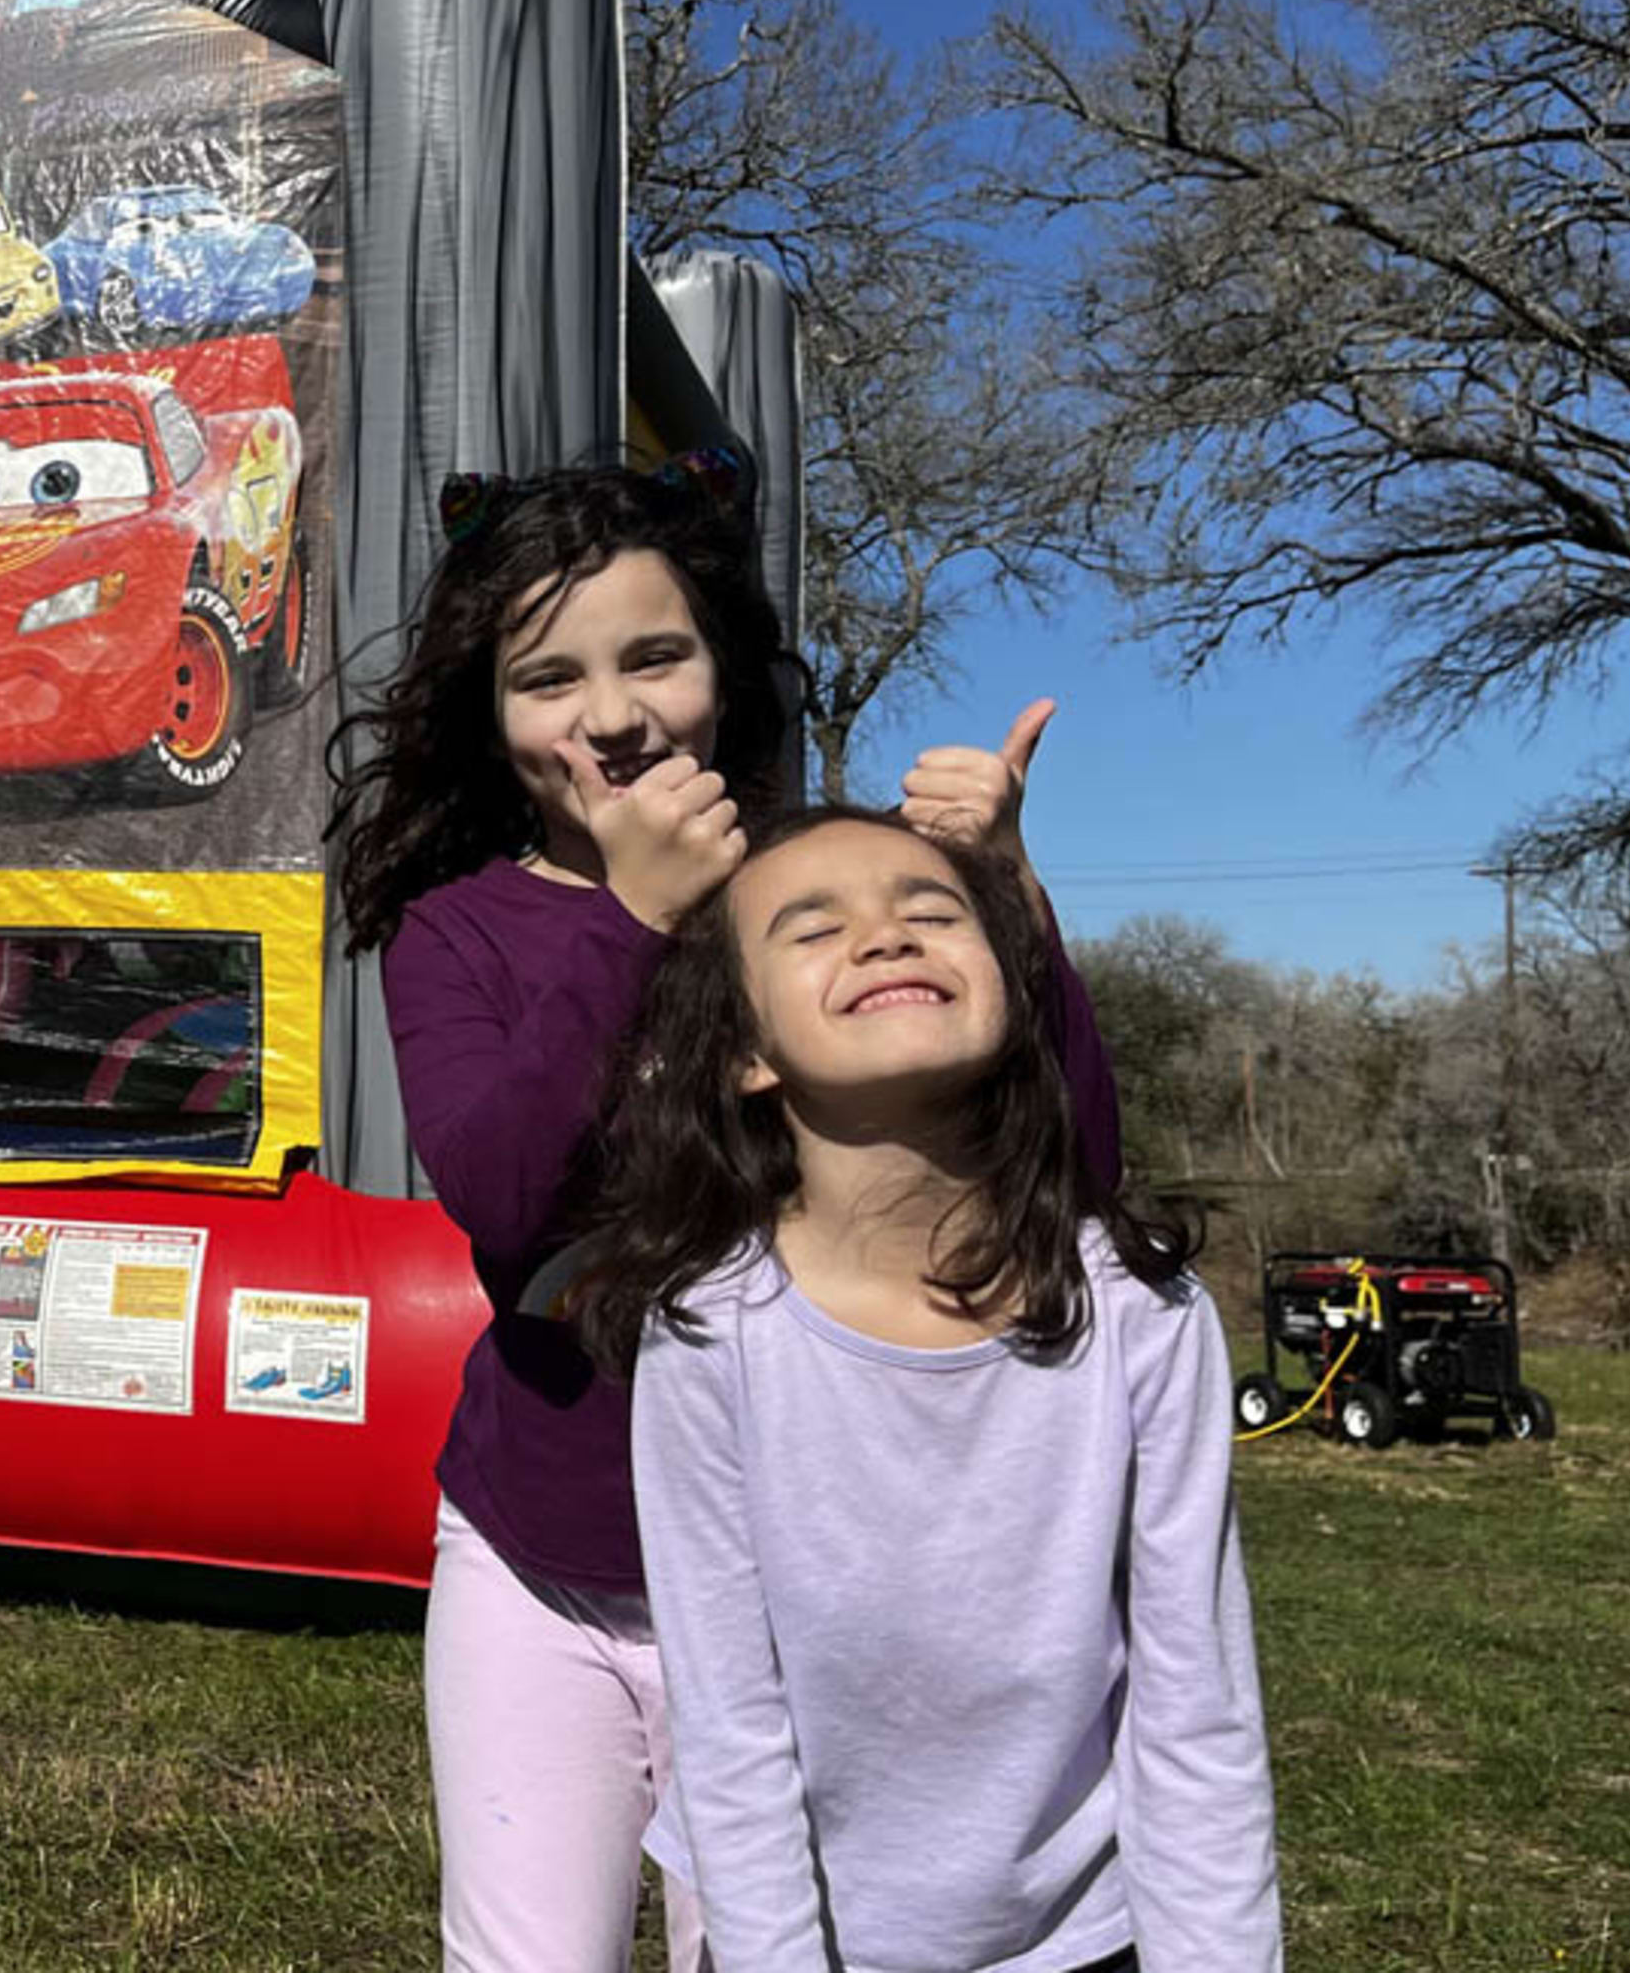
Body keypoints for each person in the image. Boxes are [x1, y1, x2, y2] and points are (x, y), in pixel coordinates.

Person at [330, 467, 1119, 1971]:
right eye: (547, 677)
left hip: (793, 1569)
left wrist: (1012, 897)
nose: (611, 716)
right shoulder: (458, 929)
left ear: (726, 674)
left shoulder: (820, 889)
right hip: (532, 1556)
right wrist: (632, 920)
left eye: (655, 657)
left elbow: (1063, 1168)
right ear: (489, 718)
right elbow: (498, 1192)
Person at [580, 808, 1280, 1972]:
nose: (886, 937)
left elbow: (1195, 1710)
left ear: (1011, 993)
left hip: (1078, 1939)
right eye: (815, 926)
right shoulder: (707, 1335)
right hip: (792, 1931)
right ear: (743, 1051)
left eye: (932, 911)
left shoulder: (1147, 1318)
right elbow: (731, 1727)